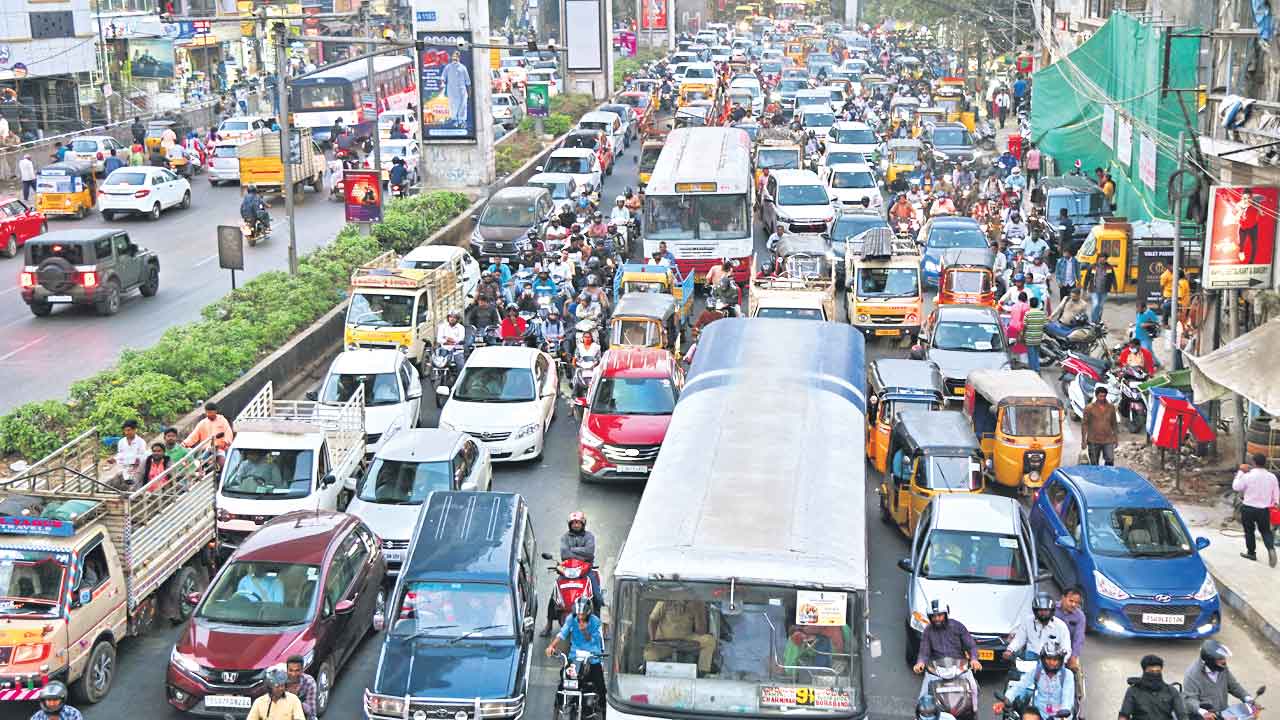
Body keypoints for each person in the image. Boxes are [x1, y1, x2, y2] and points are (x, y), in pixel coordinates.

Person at [913, 600, 981, 709]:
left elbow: (971, 645)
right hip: (936, 670)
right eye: (934, 616)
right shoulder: (928, 631)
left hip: (959, 667)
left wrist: (974, 659)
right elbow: (924, 651)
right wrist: (920, 662)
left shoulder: (958, 626)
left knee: (973, 689)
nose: (937, 619)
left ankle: (973, 712)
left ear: (946, 614)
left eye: (940, 615)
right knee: (923, 696)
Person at [545, 597, 606, 704]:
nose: (580, 617)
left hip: (592, 657)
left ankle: (602, 707)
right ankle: (559, 705)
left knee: (600, 685)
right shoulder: (571, 618)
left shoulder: (596, 622)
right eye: (578, 614)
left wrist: (585, 631)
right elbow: (562, 634)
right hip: (575, 656)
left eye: (582, 615)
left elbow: (593, 640)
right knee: (563, 678)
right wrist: (552, 646)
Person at [994, 640, 1074, 720]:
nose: (1052, 662)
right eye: (1049, 659)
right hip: (1039, 714)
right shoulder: (1037, 671)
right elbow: (1020, 685)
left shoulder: (1067, 675)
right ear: (1043, 658)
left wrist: (1064, 710)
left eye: (1055, 659)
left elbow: (1067, 696)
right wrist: (1006, 699)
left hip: (1060, 716)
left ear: (1060, 660)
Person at [1182, 640, 1254, 720]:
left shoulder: (1222, 668)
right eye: (1220, 659)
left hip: (1222, 712)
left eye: (1223, 657)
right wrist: (1203, 712)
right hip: (1203, 716)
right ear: (1210, 661)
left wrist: (1247, 698)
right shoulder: (1192, 675)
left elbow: (1233, 685)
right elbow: (1190, 699)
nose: (1224, 661)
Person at [645, 598, 718, 674]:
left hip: (686, 639)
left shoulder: (696, 603)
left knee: (709, 641)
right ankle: (650, 675)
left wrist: (698, 611)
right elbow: (652, 620)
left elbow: (700, 631)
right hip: (664, 640)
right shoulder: (665, 600)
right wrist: (652, 640)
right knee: (649, 654)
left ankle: (702, 672)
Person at [1232, 453, 1279, 566]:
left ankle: (1251, 553)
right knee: (1266, 531)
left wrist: (1240, 472)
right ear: (1265, 463)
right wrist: (1276, 503)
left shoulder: (1248, 476)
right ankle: (1270, 549)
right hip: (1263, 510)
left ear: (1253, 462)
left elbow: (1236, 487)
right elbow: (1276, 493)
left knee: (1249, 531)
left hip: (1248, 508)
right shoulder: (1271, 477)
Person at [1119, 655, 1191, 720]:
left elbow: (1182, 715)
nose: (1155, 674)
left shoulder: (1171, 691)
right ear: (1144, 672)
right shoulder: (1133, 691)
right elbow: (1124, 715)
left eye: (1158, 671)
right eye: (1151, 671)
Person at [1004, 592, 1072, 661]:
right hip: (1030, 660)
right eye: (1040, 610)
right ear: (1035, 611)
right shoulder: (1027, 621)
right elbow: (1019, 639)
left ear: (1051, 610)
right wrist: (1010, 650)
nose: (1043, 613)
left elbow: (1066, 648)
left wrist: (1059, 661)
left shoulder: (1061, 626)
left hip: (1051, 661)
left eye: (1046, 610)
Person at [1055, 587, 1087, 709]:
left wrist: (1073, 657)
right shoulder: (1051, 609)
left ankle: (1077, 706)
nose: (1074, 604)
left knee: (1077, 675)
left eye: (1077, 603)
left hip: (1068, 652)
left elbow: (1079, 639)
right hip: (1049, 649)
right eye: (1071, 601)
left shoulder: (1080, 616)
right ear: (1063, 598)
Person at [1081, 385, 1118, 466]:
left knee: (1110, 460)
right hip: (1093, 440)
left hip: (1108, 439)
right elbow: (1084, 425)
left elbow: (1114, 423)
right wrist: (1083, 440)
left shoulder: (1111, 407)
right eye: (1100, 396)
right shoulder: (1089, 408)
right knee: (1094, 462)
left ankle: (1107, 476)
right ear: (1096, 396)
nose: (1102, 398)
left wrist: (1116, 438)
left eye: (1104, 396)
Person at [1082, 254, 1116, 324]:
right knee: (1095, 304)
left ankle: (1098, 320)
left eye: (1104, 259)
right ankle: (1093, 320)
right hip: (1094, 289)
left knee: (1100, 306)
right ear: (1098, 258)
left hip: (1104, 290)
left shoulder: (1109, 267)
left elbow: (1113, 277)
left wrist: (1115, 287)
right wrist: (1084, 289)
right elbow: (1087, 277)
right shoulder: (1092, 266)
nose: (1103, 260)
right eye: (1101, 258)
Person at [285, 655, 319, 720]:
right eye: (291, 670)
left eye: (297, 670)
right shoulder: (281, 682)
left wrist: (295, 700)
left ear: (302, 670)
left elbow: (311, 711)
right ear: (287, 670)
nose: (293, 674)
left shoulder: (309, 682)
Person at [114, 419, 148, 486]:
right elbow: (120, 455)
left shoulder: (141, 442)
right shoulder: (121, 442)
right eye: (125, 430)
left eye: (129, 430)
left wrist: (136, 464)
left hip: (138, 469)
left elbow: (142, 457)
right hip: (125, 468)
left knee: (136, 485)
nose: (126, 432)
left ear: (135, 430)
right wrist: (114, 459)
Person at [1021, 297, 1048, 372]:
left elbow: (1025, 326)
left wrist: (1023, 336)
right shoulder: (1042, 313)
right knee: (1036, 354)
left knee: (1031, 355)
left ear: (1030, 304)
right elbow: (1045, 325)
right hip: (1038, 337)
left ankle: (1032, 370)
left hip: (1029, 337)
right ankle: (1037, 368)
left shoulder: (1028, 313)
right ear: (1037, 304)